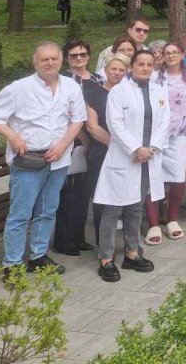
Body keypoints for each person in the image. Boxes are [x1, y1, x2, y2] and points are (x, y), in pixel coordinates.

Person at [0, 43, 87, 276]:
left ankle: (38, 256)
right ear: (35, 62)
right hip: (28, 161)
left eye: (54, 59)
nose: (50, 63)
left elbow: (78, 119)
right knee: (21, 214)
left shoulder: (71, 86)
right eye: (44, 59)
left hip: (58, 159)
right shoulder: (18, 88)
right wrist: (13, 136)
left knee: (48, 209)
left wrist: (62, 145)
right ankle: (12, 264)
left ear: (61, 61)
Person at [93, 50, 166, 282]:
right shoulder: (119, 92)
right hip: (125, 156)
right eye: (140, 64)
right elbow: (115, 125)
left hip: (148, 157)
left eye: (149, 65)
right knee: (113, 209)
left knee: (136, 206)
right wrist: (136, 148)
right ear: (132, 66)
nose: (145, 68)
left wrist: (151, 148)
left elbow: (165, 122)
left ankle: (132, 253)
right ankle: (105, 258)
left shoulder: (158, 90)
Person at [144, 42, 186, 245]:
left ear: (182, 54)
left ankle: (172, 220)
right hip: (158, 135)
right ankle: (153, 225)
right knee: (153, 177)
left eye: (175, 52)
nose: (171, 56)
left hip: (180, 133)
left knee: (177, 177)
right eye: (167, 53)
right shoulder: (154, 78)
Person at [53, 39, 101, 256]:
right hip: (75, 141)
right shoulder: (63, 81)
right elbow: (67, 112)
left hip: (95, 140)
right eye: (74, 55)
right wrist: (82, 136)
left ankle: (78, 237)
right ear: (67, 58)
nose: (79, 58)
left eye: (82, 54)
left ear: (89, 56)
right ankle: (64, 241)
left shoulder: (97, 79)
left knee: (84, 191)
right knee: (69, 192)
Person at [84, 55, 128, 248]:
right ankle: (103, 246)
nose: (117, 73)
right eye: (113, 69)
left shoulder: (129, 94)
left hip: (126, 153)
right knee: (101, 198)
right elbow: (92, 126)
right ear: (106, 70)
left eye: (121, 70)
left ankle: (127, 243)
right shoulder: (94, 93)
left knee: (126, 197)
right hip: (101, 151)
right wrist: (115, 144)